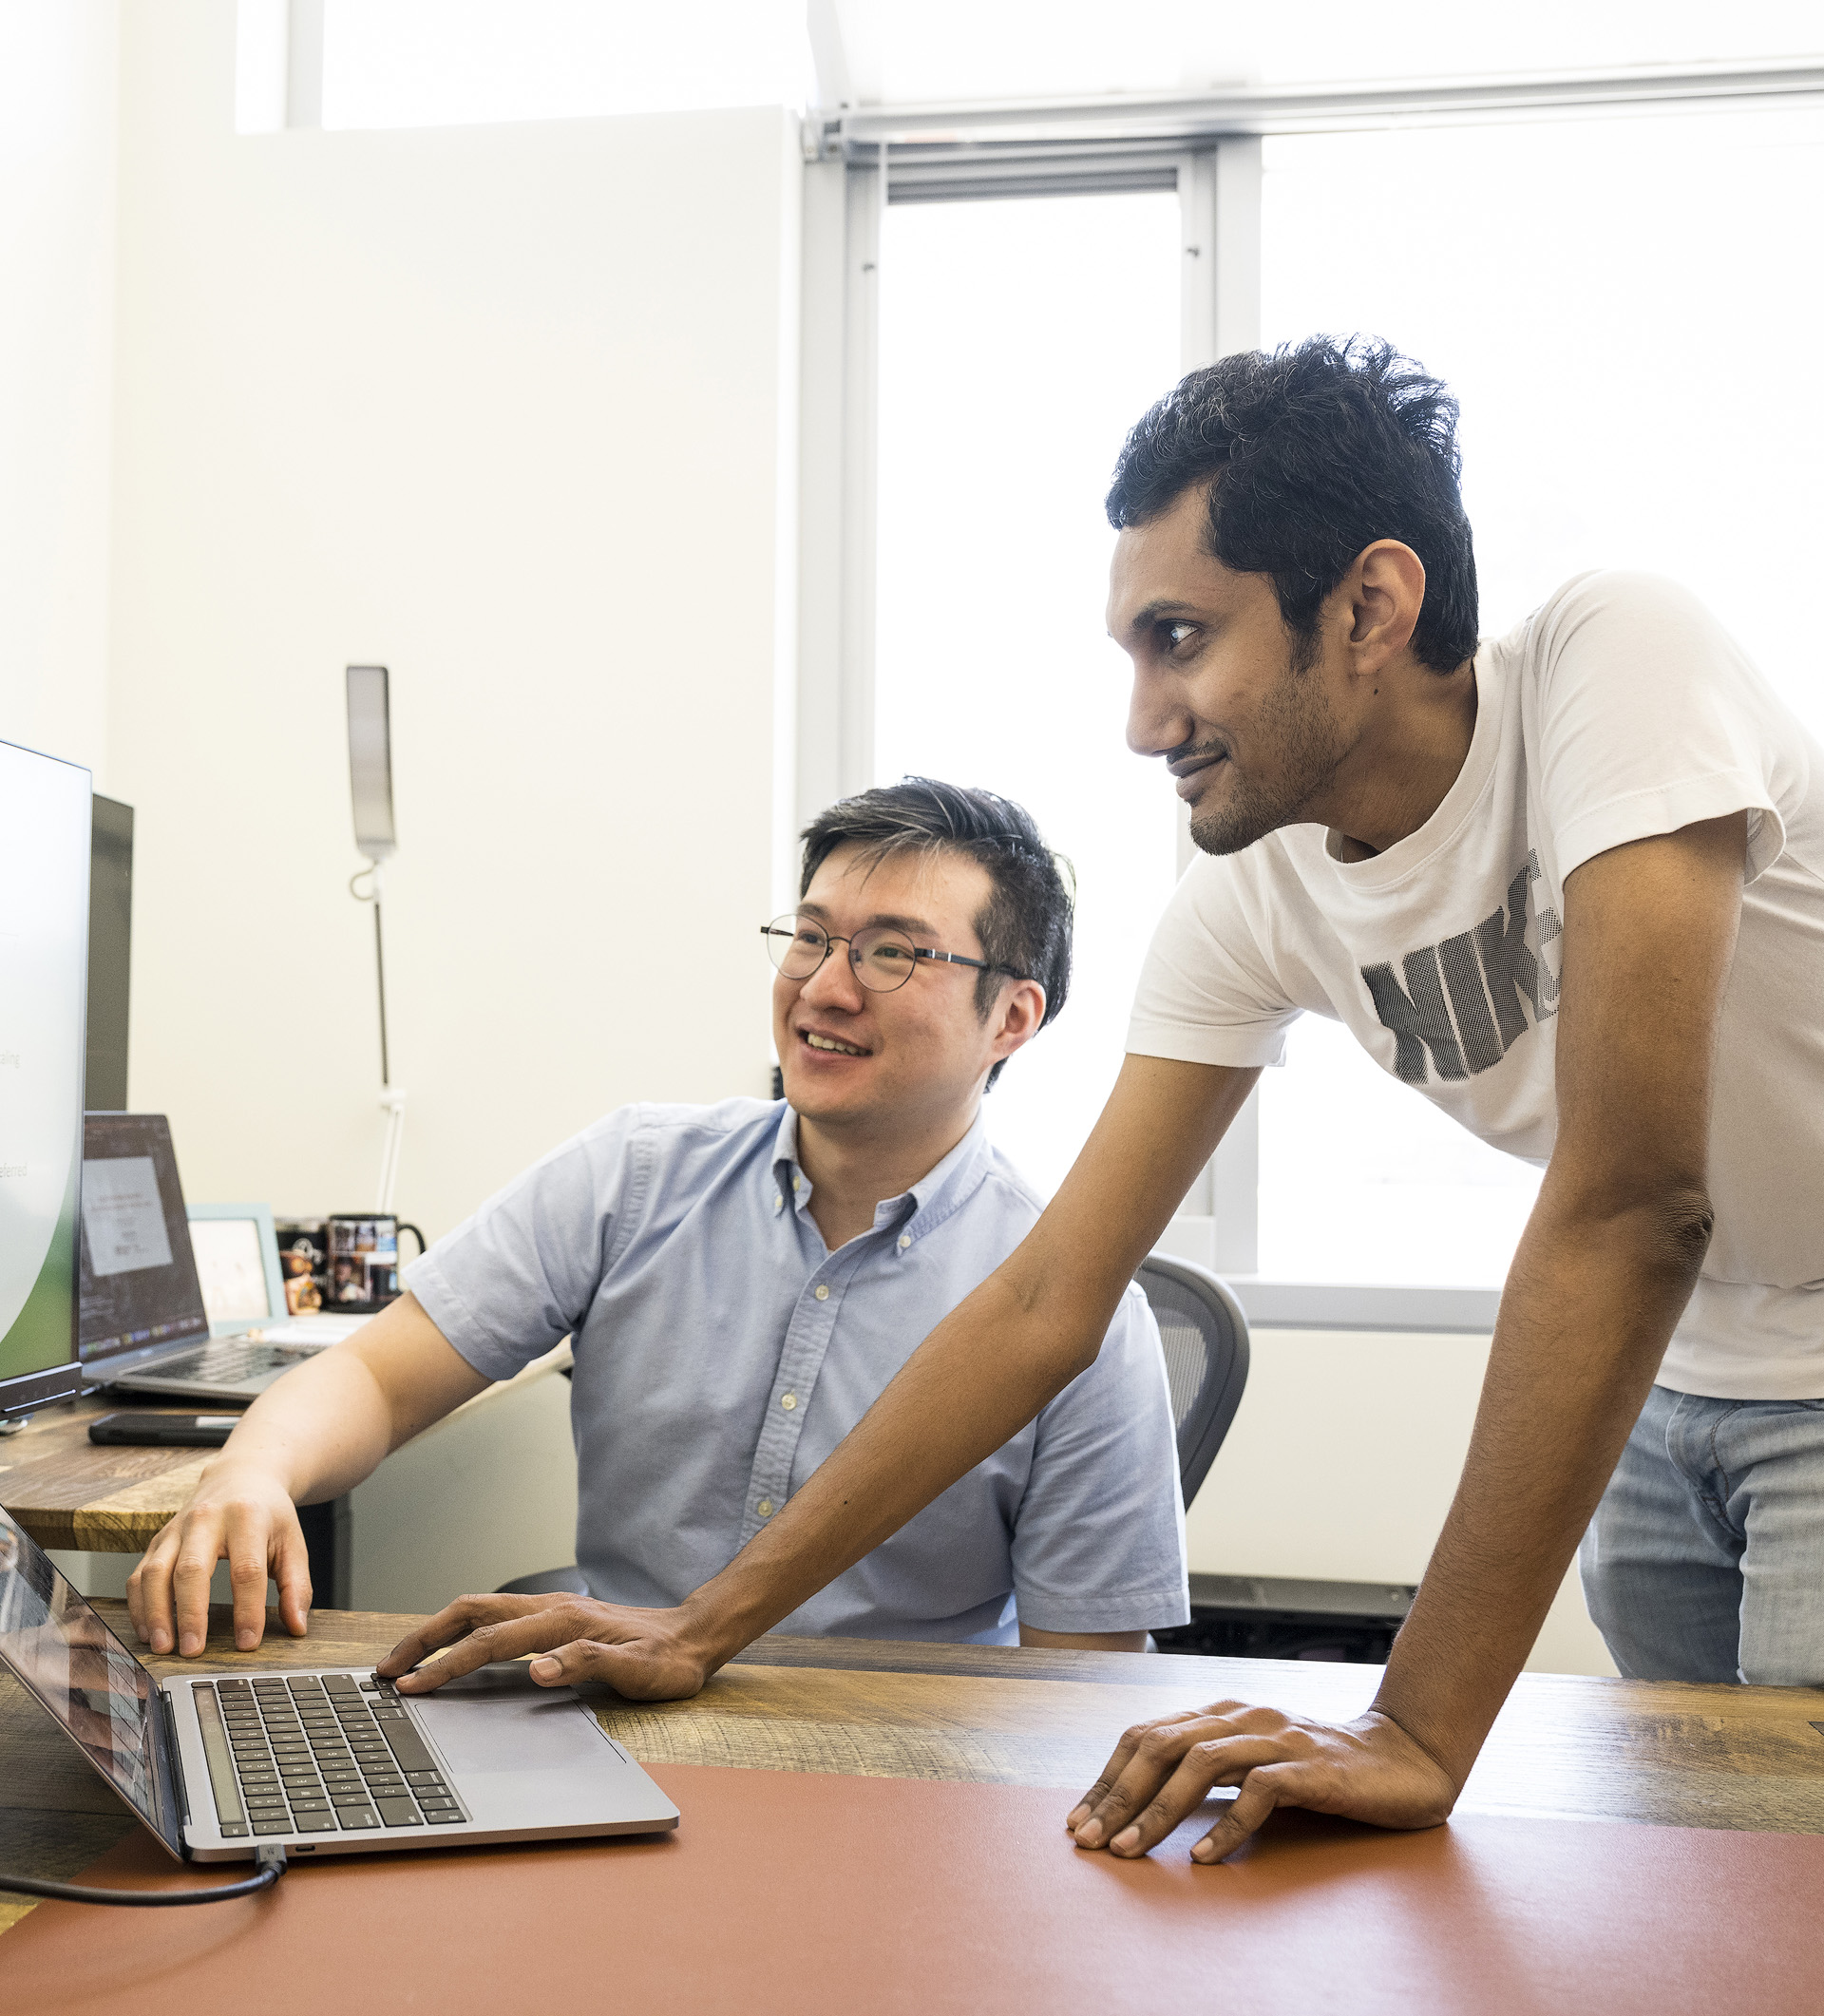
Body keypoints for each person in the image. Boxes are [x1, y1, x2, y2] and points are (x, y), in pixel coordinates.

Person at [355, 334, 1824, 1871]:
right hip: (1678, 1382)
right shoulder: (1250, 896)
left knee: (1794, 1872)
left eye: (1181, 637)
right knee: (1708, 1857)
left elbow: (1630, 1199)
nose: (1143, 717)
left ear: (1372, 606)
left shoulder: (1616, 663)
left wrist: (1417, 1721)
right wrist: (699, 1623)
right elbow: (1051, 1291)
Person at [126, 779, 1190, 1662]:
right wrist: (252, 1469)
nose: (825, 986)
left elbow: (1078, 1687)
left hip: (897, 1764)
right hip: (605, 1709)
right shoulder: (635, 1176)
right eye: (810, 937)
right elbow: (373, 1375)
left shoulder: (1077, 1313)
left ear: (1012, 1015)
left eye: (892, 953)